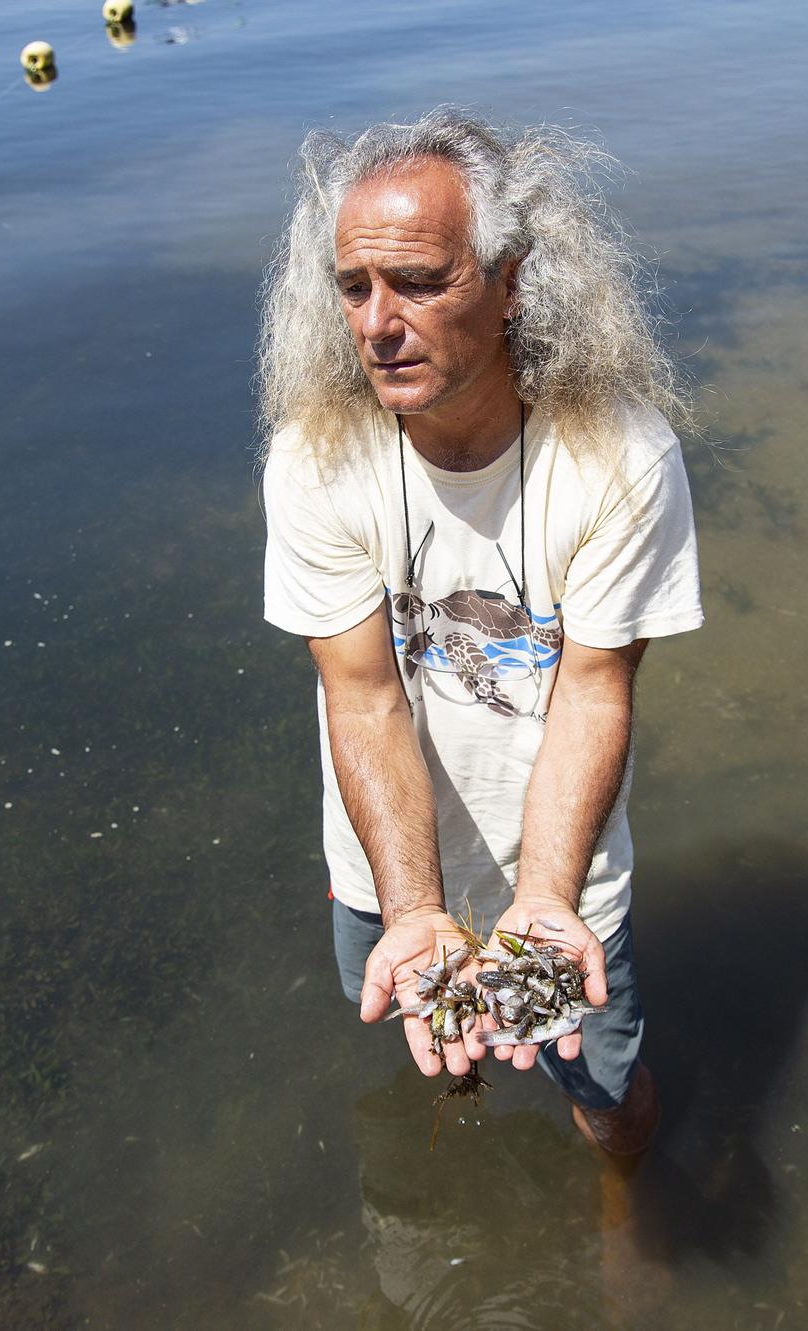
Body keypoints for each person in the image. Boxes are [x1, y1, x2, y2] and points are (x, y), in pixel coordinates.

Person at [257, 108, 700, 1156]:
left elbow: (593, 688)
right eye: (354, 286)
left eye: (417, 280)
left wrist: (544, 893)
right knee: (424, 1031)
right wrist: (416, 907)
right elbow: (360, 695)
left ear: (509, 282)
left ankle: (625, 1227)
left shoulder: (617, 458)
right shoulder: (315, 459)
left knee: (604, 1091)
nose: (375, 322)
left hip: (561, 870)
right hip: (385, 865)